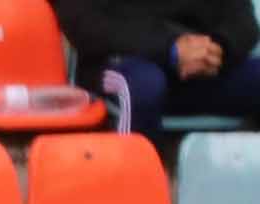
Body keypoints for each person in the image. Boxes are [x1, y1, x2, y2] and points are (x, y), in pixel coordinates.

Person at [64, 0, 260, 141]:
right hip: (121, 60)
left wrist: (215, 48)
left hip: (198, 66)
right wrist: (170, 48)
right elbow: (84, 24)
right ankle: (133, 177)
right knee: (145, 85)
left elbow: (243, 21)